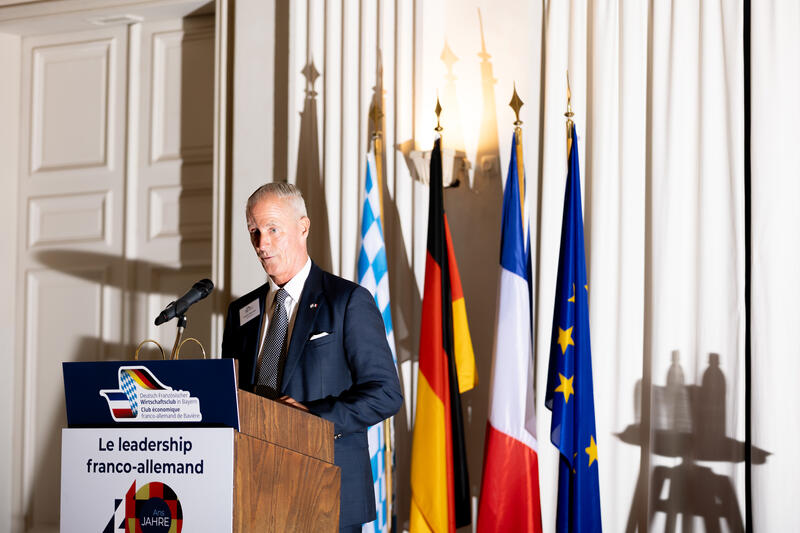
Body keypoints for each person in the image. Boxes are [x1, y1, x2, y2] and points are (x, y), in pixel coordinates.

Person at [222, 182, 403, 532]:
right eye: (254, 232)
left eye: (273, 229)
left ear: (303, 227)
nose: (262, 244)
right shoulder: (241, 311)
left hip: (326, 489)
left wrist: (313, 420)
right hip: (254, 489)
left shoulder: (347, 300)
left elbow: (385, 393)